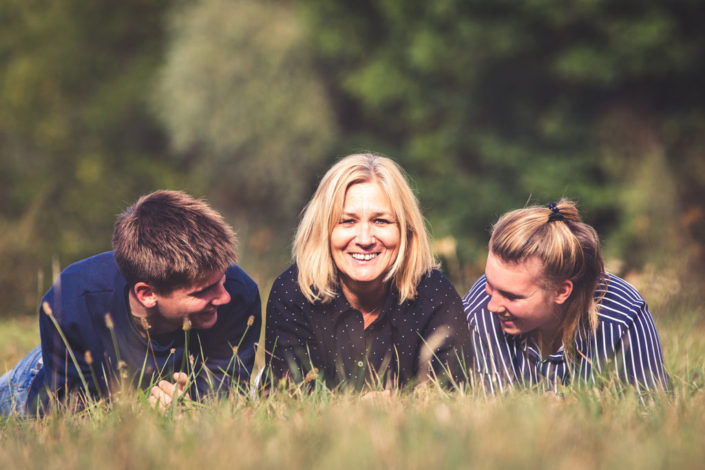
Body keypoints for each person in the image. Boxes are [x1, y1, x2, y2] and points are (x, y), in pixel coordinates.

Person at [0, 190, 261, 416]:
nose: (223, 296)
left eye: (222, 279)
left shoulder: (238, 294)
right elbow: (67, 420)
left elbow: (222, 401)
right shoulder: (72, 302)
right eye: (202, 292)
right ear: (147, 294)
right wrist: (139, 414)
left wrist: (189, 408)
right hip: (41, 378)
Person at [265, 153, 472, 390]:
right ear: (323, 230)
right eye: (347, 221)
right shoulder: (292, 293)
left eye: (381, 221)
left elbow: (451, 393)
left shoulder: (435, 293)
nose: (364, 239)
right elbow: (289, 401)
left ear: (406, 228)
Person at [463, 199, 669, 394]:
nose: (492, 305)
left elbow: (651, 410)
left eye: (512, 296)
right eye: (489, 283)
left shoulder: (623, 316)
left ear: (561, 291)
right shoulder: (478, 310)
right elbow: (491, 413)